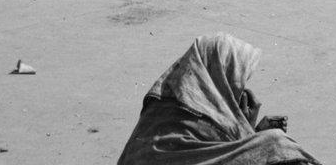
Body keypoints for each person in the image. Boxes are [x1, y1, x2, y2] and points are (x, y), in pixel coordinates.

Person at [116, 32, 324, 165]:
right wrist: (255, 137)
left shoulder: (164, 110)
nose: (243, 90)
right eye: (238, 81)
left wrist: (250, 131)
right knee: (278, 147)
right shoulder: (202, 123)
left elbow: (214, 155)